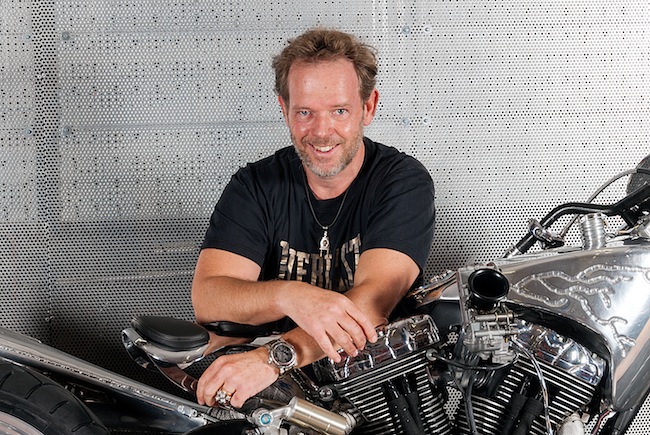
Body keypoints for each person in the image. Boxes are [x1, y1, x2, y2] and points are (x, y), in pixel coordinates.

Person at [191, 27, 435, 409]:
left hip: (378, 390)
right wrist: (290, 296)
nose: (322, 132)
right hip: (281, 396)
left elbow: (371, 306)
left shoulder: (401, 181)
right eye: (305, 112)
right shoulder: (254, 186)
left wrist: (274, 357)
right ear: (284, 109)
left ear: (368, 107)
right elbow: (209, 298)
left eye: (339, 111)